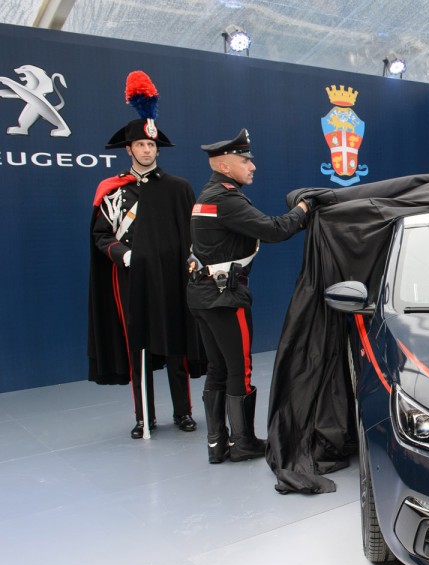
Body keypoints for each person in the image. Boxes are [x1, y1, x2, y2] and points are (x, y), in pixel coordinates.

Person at [88, 70, 202, 439]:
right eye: (141, 145)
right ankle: (145, 417)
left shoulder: (178, 188)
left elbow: (193, 233)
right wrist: (122, 255)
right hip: (132, 280)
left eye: (152, 146)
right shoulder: (113, 190)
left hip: (170, 278)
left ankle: (183, 412)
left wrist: (190, 259)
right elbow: (101, 235)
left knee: (176, 348)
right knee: (138, 348)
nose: (147, 150)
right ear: (130, 149)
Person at [187, 129, 313, 464]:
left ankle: (217, 445)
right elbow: (275, 230)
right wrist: (303, 209)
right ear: (225, 166)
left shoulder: (207, 195)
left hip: (202, 295)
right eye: (245, 160)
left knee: (217, 368)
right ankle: (242, 444)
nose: (252, 166)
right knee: (238, 369)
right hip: (225, 298)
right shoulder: (226, 200)